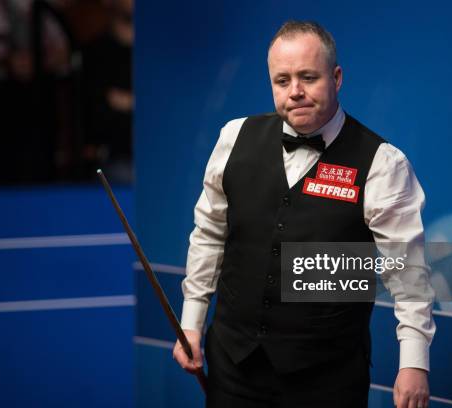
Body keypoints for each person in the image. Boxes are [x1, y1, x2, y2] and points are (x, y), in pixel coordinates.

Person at [173, 21, 436, 408]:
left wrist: (414, 363)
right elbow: (209, 234)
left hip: (327, 379)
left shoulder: (382, 163)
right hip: (232, 365)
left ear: (337, 77)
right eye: (282, 80)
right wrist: (191, 323)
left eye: (308, 77)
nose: (294, 91)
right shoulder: (233, 138)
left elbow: (407, 272)